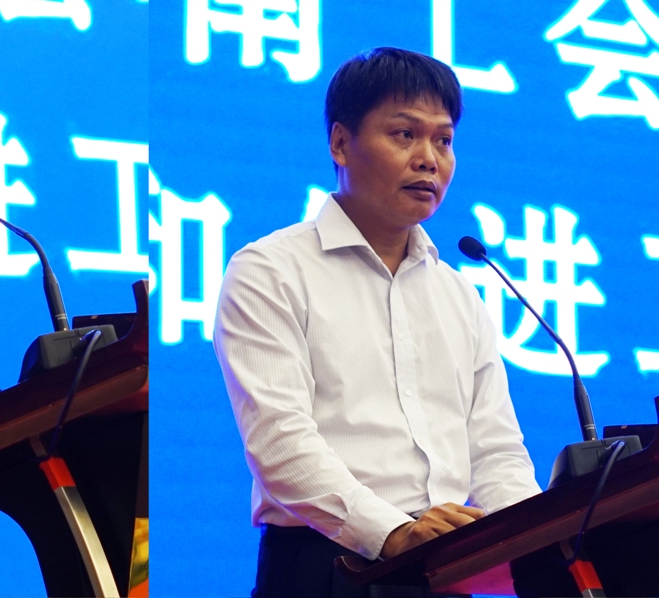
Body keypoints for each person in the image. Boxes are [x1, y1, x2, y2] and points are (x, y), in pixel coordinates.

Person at [213, 47, 542, 597]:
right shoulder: (270, 270)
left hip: (444, 565)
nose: (428, 159)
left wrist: (533, 541)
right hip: (327, 566)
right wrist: (392, 532)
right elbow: (279, 441)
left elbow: (495, 450)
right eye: (404, 134)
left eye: (444, 140)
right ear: (341, 143)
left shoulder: (459, 293)